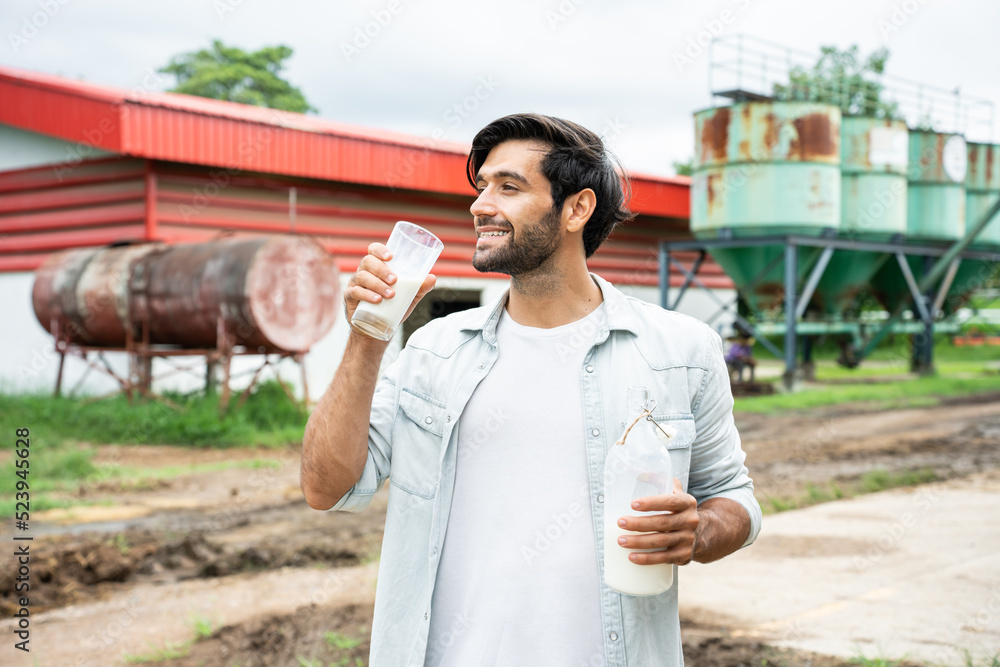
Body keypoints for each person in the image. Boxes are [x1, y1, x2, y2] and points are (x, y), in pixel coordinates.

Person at [301, 113, 761, 666]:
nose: (480, 204)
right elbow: (326, 488)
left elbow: (734, 497)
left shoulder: (680, 350)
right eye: (482, 186)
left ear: (577, 209)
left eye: (508, 187)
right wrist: (366, 339)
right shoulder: (432, 352)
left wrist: (700, 532)